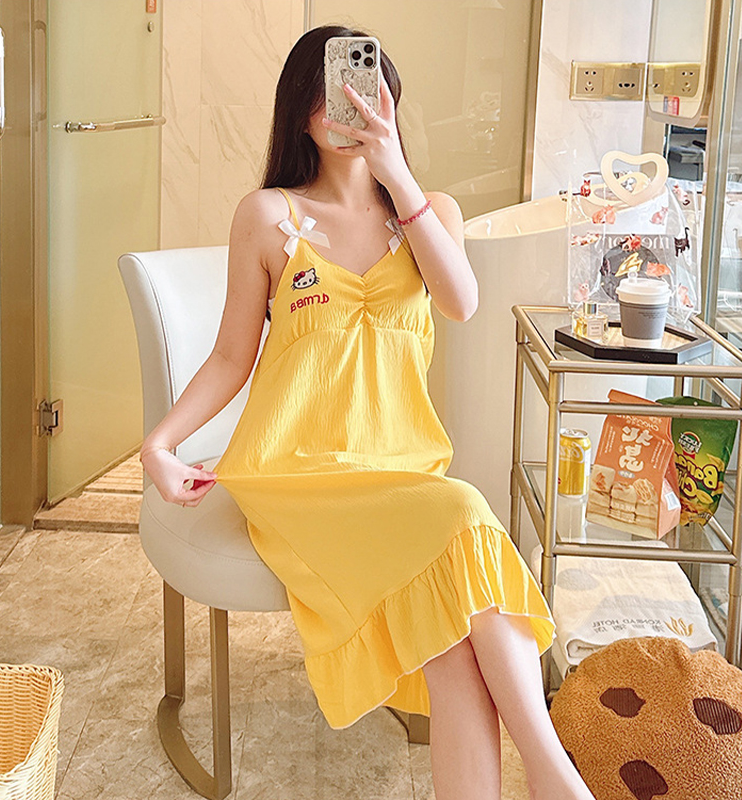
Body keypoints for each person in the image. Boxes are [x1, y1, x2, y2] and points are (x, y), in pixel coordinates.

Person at [139, 24, 595, 800]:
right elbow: (230, 357)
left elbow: (460, 301)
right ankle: (553, 775)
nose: (344, 106)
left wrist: (396, 176)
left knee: (453, 643)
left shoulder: (430, 211)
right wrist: (159, 444)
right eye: (327, 92)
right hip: (296, 472)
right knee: (467, 515)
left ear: (388, 99)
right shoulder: (268, 215)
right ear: (299, 108)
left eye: (361, 87)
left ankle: (546, 780)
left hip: (399, 468)